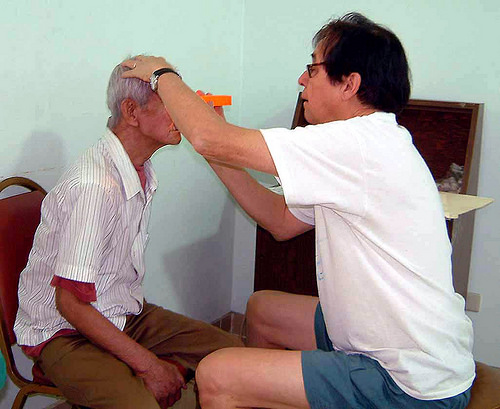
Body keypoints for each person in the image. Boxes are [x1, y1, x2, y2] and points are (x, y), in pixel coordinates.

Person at [123, 12, 475, 409]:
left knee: (216, 376)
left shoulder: (357, 142)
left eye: (312, 68)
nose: (302, 80)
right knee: (262, 310)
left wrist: (161, 74)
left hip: (408, 384)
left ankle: (240, 393)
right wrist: (219, 156)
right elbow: (280, 221)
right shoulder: (368, 143)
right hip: (395, 346)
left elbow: (207, 137)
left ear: (349, 83)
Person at [13, 57, 243, 409]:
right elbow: (70, 304)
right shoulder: (96, 185)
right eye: (171, 103)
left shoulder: (140, 169)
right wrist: (149, 365)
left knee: (234, 357)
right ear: (131, 111)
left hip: (118, 312)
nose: (183, 113)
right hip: (64, 331)